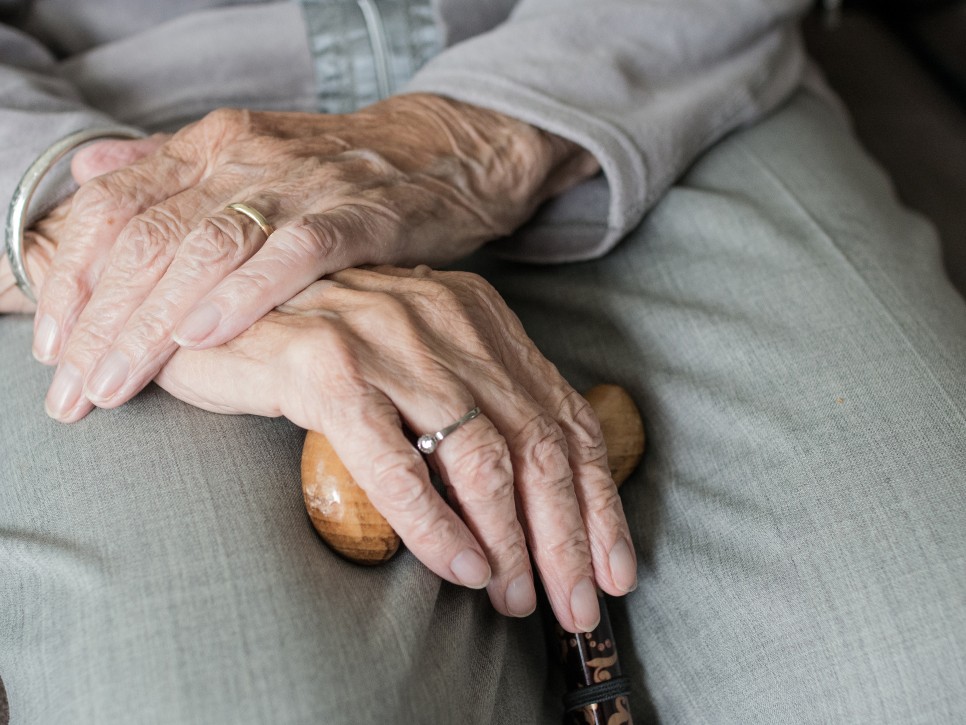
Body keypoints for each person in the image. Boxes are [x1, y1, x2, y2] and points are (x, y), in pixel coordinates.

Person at [2, 1, 965, 723]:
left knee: (923, 653)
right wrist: (107, 240)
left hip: (632, 70)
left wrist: (466, 140)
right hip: (101, 141)